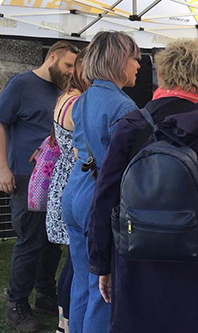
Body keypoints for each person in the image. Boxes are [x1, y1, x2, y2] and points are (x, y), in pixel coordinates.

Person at [87, 39, 198, 332]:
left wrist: (101, 265)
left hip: (141, 268)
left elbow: (105, 201)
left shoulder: (131, 127)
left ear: (161, 76)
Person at [0, 40, 78, 332]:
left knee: (53, 241)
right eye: (67, 65)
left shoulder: (63, 90)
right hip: (27, 177)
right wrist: (2, 168)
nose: (71, 71)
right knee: (30, 242)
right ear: (52, 57)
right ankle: (16, 304)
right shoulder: (20, 84)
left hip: (56, 178)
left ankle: (44, 295)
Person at [62, 31, 140, 333]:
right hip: (98, 199)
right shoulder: (124, 108)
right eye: (134, 58)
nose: (138, 65)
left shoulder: (83, 98)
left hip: (75, 192)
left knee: (82, 282)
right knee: (102, 292)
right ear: (119, 60)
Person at [45, 48, 89, 333]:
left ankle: (65, 320)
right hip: (73, 181)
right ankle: (68, 321)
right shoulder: (78, 103)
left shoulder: (63, 98)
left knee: (72, 260)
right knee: (76, 263)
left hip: (63, 180)